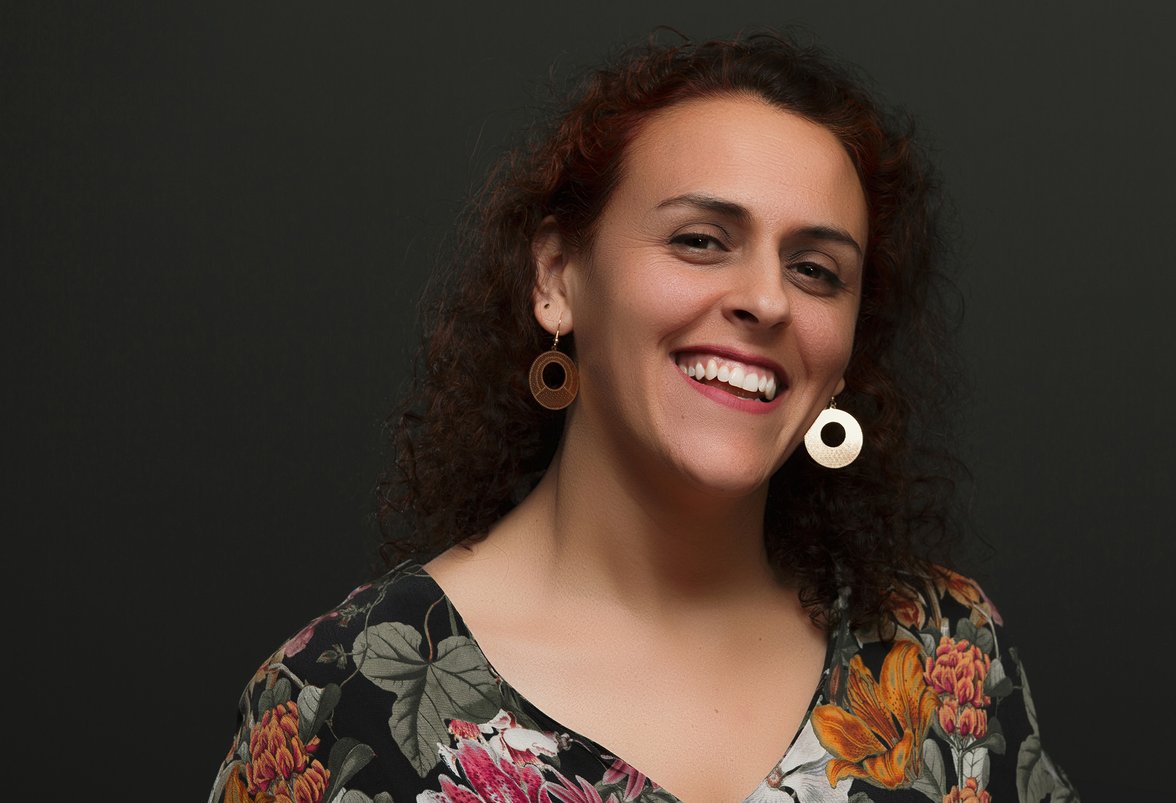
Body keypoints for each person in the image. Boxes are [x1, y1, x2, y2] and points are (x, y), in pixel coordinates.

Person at [210, 32, 1078, 803]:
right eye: (701, 240)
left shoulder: (944, 655)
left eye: (816, 270)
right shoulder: (336, 701)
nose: (768, 299)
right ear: (557, 277)